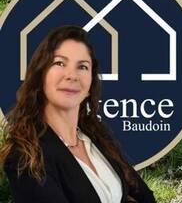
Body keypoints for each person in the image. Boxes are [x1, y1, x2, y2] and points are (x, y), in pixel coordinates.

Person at [2, 25, 156, 202]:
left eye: (82, 67)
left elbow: (145, 196)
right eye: (59, 63)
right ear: (40, 75)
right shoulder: (25, 155)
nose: (72, 75)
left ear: (90, 84)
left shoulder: (96, 134)